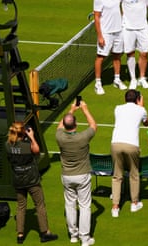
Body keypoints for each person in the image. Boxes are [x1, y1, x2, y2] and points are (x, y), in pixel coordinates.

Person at [6, 122, 58, 244]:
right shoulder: (26, 145)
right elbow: (37, 150)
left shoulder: (7, 145)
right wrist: (32, 137)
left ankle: (20, 234)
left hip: (18, 179)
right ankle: (45, 233)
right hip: (32, 180)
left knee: (20, 206)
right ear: (22, 132)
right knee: (39, 205)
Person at [56, 100, 97, 246]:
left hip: (67, 176)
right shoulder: (83, 137)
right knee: (85, 206)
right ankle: (84, 238)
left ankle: (73, 236)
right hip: (82, 175)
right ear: (76, 125)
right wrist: (85, 109)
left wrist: (72, 109)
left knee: (70, 205)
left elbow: (60, 126)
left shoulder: (59, 136)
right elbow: (93, 126)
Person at [111, 89, 148, 217]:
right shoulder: (141, 110)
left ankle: (115, 207)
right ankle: (134, 203)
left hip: (115, 143)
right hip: (132, 145)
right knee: (134, 174)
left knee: (117, 176)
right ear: (138, 99)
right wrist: (141, 106)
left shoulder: (117, 108)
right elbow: (146, 123)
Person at [93, 0, 127, 95]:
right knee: (100, 57)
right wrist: (100, 36)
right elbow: (96, 17)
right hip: (106, 32)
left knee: (117, 55)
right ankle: (98, 83)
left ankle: (117, 79)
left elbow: (122, 5)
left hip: (118, 30)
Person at [119, 0, 148, 89]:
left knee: (144, 53)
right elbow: (114, 2)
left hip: (143, 27)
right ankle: (133, 79)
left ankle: (142, 78)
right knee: (130, 53)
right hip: (128, 27)